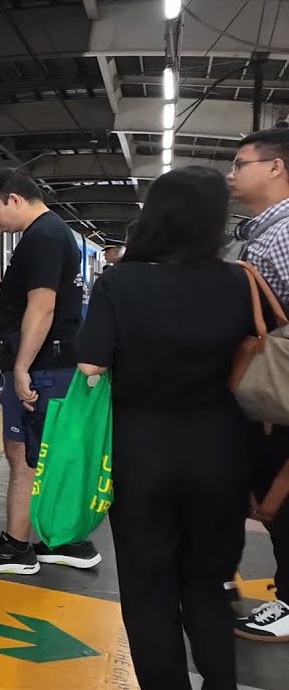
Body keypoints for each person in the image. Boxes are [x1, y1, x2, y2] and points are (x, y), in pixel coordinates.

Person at [77, 166, 255, 688]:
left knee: (148, 587)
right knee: (207, 582)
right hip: (222, 453)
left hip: (142, 456)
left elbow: (90, 366)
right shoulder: (238, 282)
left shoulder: (120, 281)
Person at [0, 169, 102, 574]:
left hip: (42, 366)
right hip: (56, 362)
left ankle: (16, 548)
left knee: (23, 455)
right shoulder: (56, 233)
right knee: (45, 453)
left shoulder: (41, 238)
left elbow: (43, 308)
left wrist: (21, 366)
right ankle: (65, 541)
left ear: (15, 199)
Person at [225, 127, 289, 642]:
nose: (232, 172)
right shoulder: (263, 232)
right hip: (275, 397)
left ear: (276, 166)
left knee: (283, 500)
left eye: (241, 163)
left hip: (282, 395)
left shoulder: (285, 233)